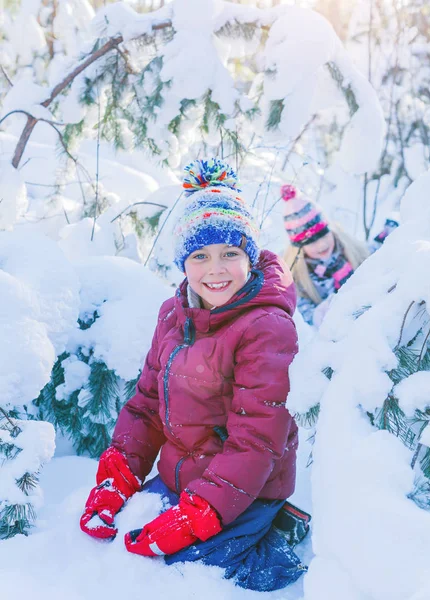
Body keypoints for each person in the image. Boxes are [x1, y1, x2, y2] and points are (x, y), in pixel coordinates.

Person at [79, 159, 308, 592]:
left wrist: (201, 511)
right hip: (182, 475)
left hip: (248, 485)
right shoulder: (173, 313)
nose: (215, 269)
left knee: (185, 570)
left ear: (250, 257)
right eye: (200, 256)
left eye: (230, 254)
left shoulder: (266, 328)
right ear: (183, 263)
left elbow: (257, 439)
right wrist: (118, 477)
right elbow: (146, 405)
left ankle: (278, 535)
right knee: (124, 541)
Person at [281, 184, 369, 327]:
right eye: (311, 241)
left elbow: (374, 258)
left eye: (323, 234)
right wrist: (317, 315)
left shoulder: (351, 250)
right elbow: (302, 311)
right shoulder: (298, 278)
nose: (321, 244)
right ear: (300, 247)